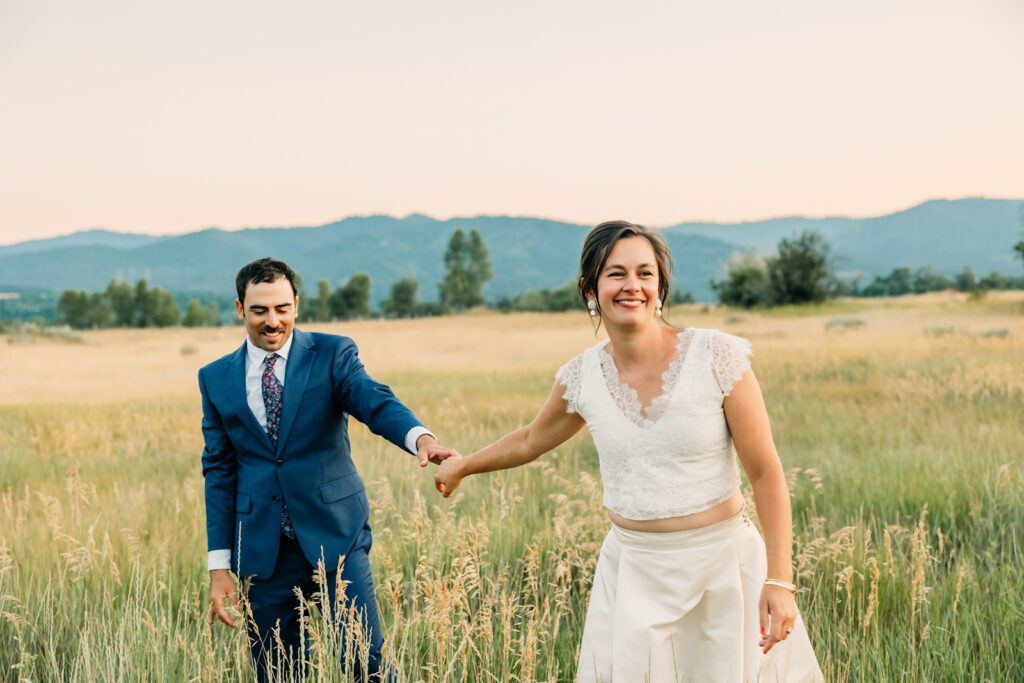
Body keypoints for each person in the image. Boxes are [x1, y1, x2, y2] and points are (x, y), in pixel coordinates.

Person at [434, 221, 823, 682]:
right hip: (632, 574)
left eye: (645, 273)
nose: (632, 285)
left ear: (660, 287)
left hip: (724, 570)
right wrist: (462, 466)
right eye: (615, 274)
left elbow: (766, 473)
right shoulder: (582, 377)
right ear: (590, 289)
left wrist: (778, 580)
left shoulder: (715, 356)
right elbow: (529, 439)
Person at [200, 257, 456, 682]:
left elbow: (374, 401)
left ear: (296, 305)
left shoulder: (333, 354)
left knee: (366, 667)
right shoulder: (214, 378)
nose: (272, 321)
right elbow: (219, 471)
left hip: (336, 537)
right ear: (239, 309)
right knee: (277, 673)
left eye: (282, 308)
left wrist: (421, 439)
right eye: (260, 310)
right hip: (263, 553)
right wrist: (219, 568)